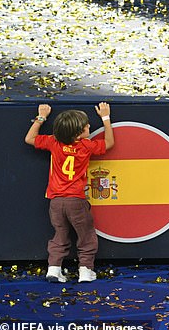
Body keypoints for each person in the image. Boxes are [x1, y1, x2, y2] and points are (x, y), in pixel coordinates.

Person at [24, 102, 114, 283]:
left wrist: (41, 117)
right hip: (76, 201)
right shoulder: (86, 146)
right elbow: (109, 143)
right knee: (86, 236)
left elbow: (30, 139)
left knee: (60, 235)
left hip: (56, 202)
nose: (89, 126)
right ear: (77, 134)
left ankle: (53, 269)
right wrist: (105, 118)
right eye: (85, 126)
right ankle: (86, 271)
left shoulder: (53, 142)